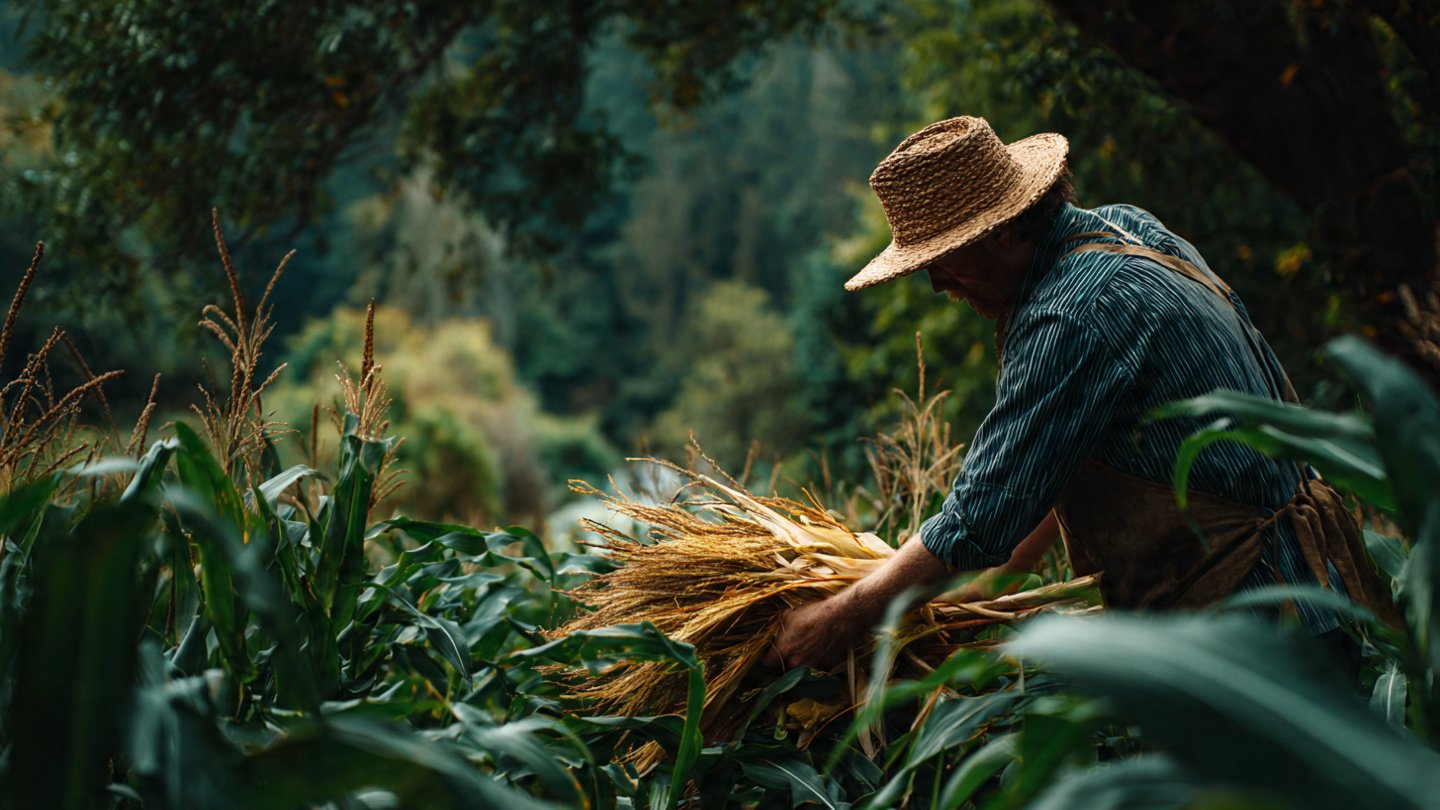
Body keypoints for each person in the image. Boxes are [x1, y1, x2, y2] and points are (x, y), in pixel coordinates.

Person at [767, 116, 1391, 672]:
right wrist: (995, 589)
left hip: (1249, 636)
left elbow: (981, 512)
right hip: (1304, 599)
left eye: (945, 256)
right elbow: (1057, 457)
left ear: (1003, 231)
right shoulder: (1127, 230)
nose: (936, 282)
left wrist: (842, 617)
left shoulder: (1072, 313)